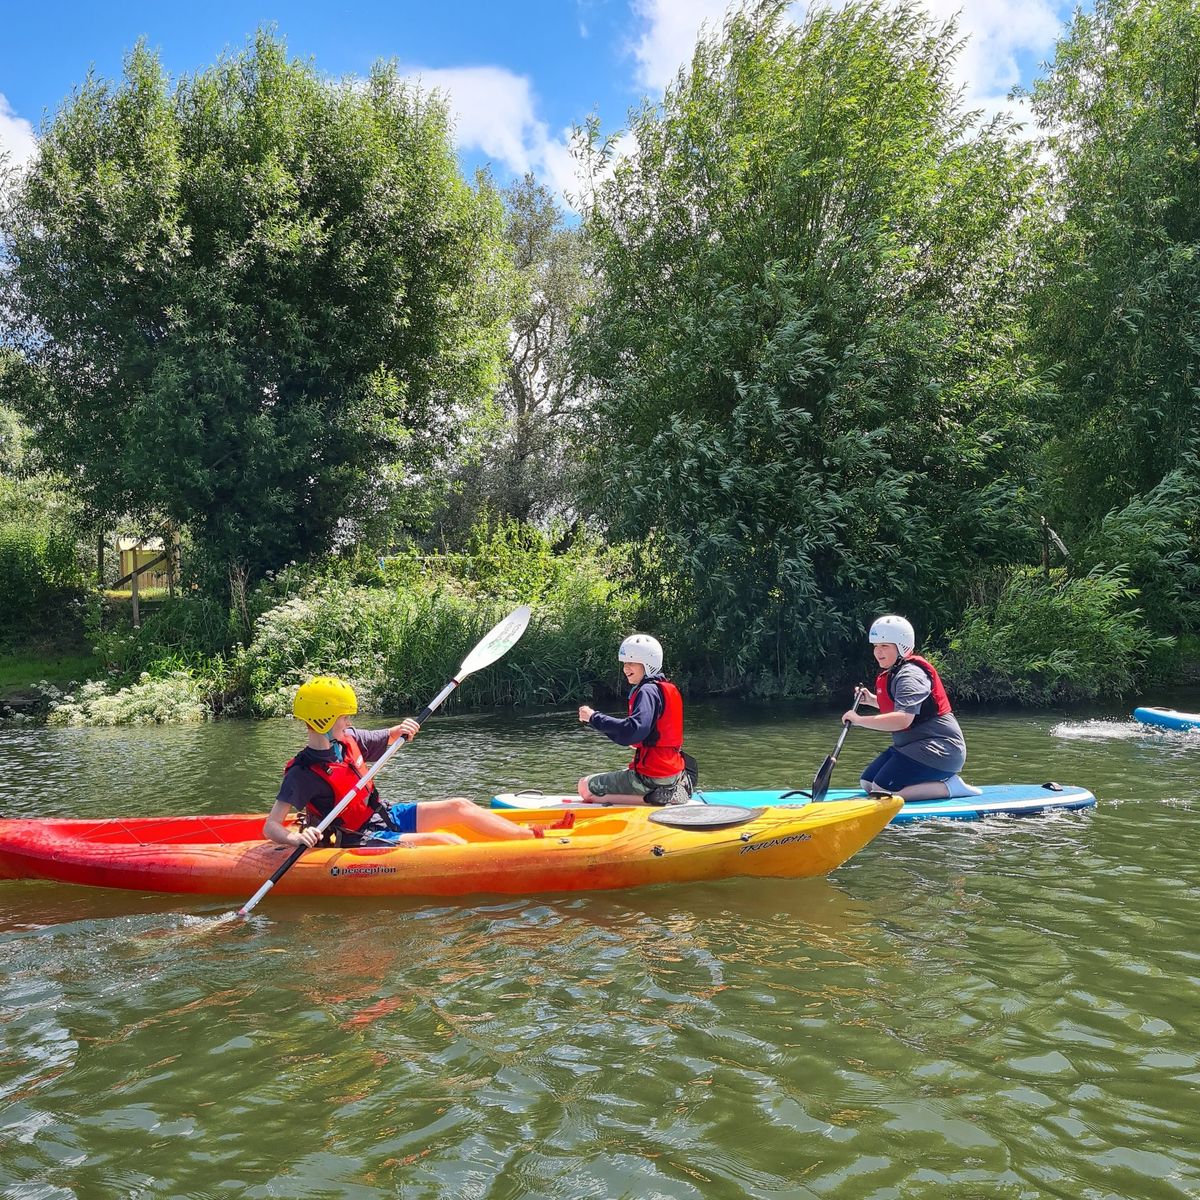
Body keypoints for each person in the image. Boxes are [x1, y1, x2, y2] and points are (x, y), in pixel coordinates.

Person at [265, 676, 570, 848]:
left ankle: (532, 840)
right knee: (443, 841)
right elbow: (271, 827)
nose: (348, 721)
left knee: (460, 806)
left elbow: (390, 735)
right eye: (344, 716)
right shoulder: (302, 773)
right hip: (357, 837)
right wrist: (295, 837)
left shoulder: (351, 738)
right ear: (325, 719)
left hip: (383, 815)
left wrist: (403, 728)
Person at [841, 615, 981, 801]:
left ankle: (950, 787)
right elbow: (903, 707)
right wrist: (872, 700)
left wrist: (859, 720)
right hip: (913, 748)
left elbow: (902, 719)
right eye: (875, 646)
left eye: (885, 646)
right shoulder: (895, 671)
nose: (878, 652)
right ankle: (919, 785)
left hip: (941, 750)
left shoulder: (910, 676)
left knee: (881, 791)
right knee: (867, 782)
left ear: (901, 646)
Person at [577, 633, 693, 805]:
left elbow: (632, 731)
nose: (625, 668)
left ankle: (656, 798)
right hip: (672, 773)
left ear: (647, 664)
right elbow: (645, 733)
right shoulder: (665, 688)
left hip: (652, 776)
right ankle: (669, 791)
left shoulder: (646, 691)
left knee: (585, 787)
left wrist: (594, 717)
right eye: (624, 663)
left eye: (631, 663)